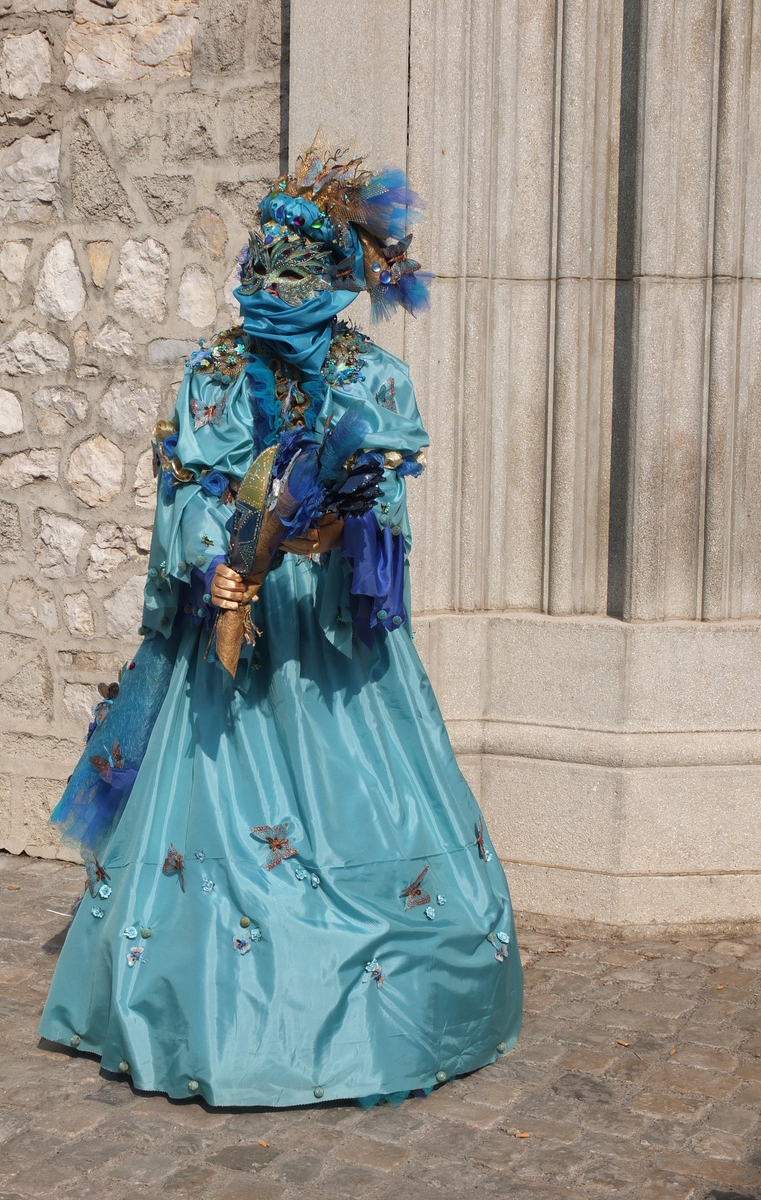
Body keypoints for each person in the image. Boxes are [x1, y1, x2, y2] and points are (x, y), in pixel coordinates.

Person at [39, 140, 523, 1107]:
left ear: (339, 281)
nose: (269, 289)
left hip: (328, 637)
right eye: (259, 269)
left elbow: (382, 509)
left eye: (294, 274)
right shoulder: (214, 374)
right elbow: (184, 484)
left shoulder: (373, 379)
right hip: (227, 634)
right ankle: (198, 996)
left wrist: (330, 530)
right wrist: (215, 559)